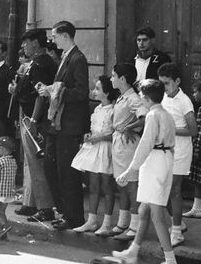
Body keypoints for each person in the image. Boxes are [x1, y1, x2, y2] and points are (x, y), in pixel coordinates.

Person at [108, 79, 177, 264]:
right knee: (144, 210)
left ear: (146, 98)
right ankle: (133, 252)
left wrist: (129, 170)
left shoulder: (153, 116)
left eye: (140, 96)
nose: (140, 98)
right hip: (163, 160)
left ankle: (170, 260)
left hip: (155, 163)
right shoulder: (166, 114)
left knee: (156, 214)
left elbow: (145, 145)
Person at [34, 20, 89, 230]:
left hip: (68, 126)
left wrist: (52, 91)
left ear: (65, 36)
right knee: (53, 169)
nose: (52, 40)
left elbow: (81, 92)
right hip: (57, 125)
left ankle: (73, 217)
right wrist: (50, 89)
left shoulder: (77, 58)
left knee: (67, 172)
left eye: (55, 36)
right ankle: (64, 212)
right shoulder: (67, 56)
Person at [10, 28, 57, 221]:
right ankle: (30, 203)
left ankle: (45, 208)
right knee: (31, 164)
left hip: (34, 119)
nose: (23, 46)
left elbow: (41, 94)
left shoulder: (39, 64)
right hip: (30, 116)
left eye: (25, 42)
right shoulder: (38, 63)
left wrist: (34, 121)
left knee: (36, 165)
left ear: (36, 43)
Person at [71, 75, 117, 234]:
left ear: (107, 92)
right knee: (93, 186)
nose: (94, 91)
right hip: (95, 149)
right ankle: (91, 221)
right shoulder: (97, 109)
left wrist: (101, 137)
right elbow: (94, 129)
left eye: (98, 88)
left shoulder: (113, 110)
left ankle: (107, 223)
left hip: (106, 149)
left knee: (107, 186)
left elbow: (116, 134)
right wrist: (89, 136)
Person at [157, 62, 196, 247]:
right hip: (165, 149)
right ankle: (178, 223)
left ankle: (177, 232)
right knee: (162, 191)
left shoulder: (184, 101)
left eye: (166, 83)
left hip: (180, 151)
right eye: (161, 83)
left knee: (174, 191)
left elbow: (192, 130)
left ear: (177, 81)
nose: (163, 87)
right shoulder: (163, 97)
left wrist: (170, 129)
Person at [110, 63, 146, 241]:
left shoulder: (133, 98)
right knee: (121, 183)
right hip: (118, 144)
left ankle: (135, 225)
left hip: (128, 145)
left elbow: (144, 116)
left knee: (131, 185)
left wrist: (130, 127)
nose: (111, 79)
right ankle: (122, 222)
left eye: (113, 76)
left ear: (122, 79)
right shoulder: (122, 96)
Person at [185, 80, 201, 218]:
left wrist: (196, 148)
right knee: (200, 180)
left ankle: (198, 207)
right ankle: (197, 207)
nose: (194, 94)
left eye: (196, 91)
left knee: (199, 180)